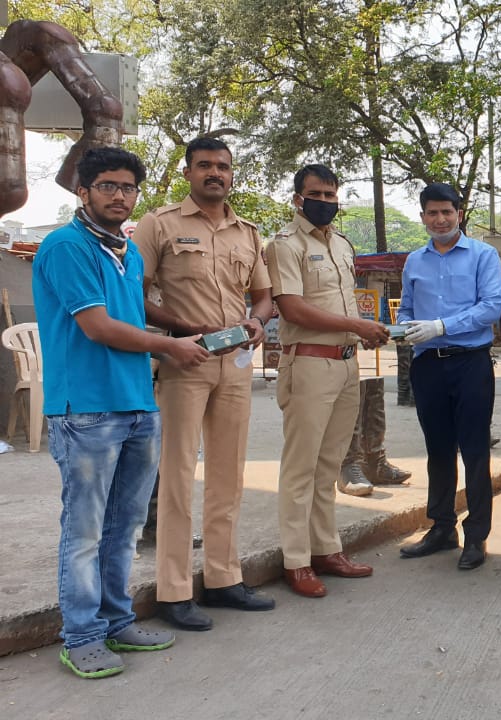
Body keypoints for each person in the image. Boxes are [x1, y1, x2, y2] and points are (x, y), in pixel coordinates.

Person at [33, 147, 208, 678]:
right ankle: (80, 636)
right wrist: (170, 348)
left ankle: (115, 621)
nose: (119, 196)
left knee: (126, 525)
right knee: (85, 530)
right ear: (82, 191)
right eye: (107, 185)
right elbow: (99, 327)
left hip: (136, 403)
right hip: (85, 409)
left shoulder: (127, 253)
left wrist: (184, 329)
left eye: (128, 188)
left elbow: (134, 312)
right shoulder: (66, 246)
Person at [133, 136, 276, 630]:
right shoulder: (160, 224)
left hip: (235, 365)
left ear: (232, 173)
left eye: (223, 166)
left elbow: (262, 294)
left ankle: (223, 579)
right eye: (205, 166)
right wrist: (180, 331)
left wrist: (257, 322)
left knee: (227, 475)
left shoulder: (247, 232)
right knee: (176, 477)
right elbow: (134, 292)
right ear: (188, 172)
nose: (215, 173)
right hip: (184, 363)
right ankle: (174, 592)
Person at [264, 164, 388, 598]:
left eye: (332, 194)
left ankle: (326, 549)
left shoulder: (341, 244)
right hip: (309, 364)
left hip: (347, 363)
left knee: (329, 464)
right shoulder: (284, 245)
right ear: (298, 198)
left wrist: (360, 332)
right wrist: (357, 325)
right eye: (316, 193)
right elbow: (293, 309)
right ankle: (296, 561)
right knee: (300, 467)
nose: (325, 202)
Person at [397, 183, 501, 570]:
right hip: (427, 366)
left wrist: (441, 326)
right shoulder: (414, 261)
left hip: (470, 363)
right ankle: (442, 527)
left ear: (460, 213)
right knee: (438, 450)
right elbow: (406, 307)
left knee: (475, 452)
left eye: (447, 212)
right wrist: (404, 327)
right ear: (422, 216)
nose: (439, 219)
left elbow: (491, 307)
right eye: (432, 213)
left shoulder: (483, 256)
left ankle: (476, 537)